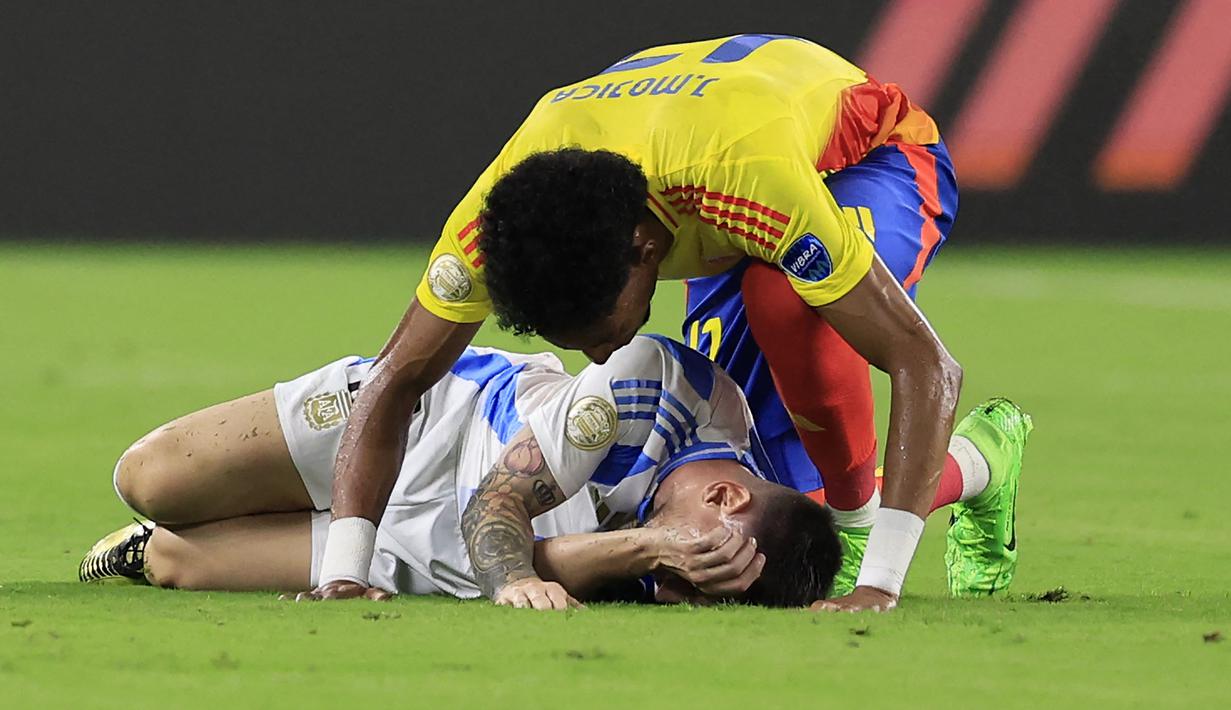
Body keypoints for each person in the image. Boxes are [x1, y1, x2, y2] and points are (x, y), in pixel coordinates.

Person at [309, 34, 1033, 611]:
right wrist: (343, 571)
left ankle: (858, 520)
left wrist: (877, 581)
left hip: (862, 158)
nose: (596, 355)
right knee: (766, 510)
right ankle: (980, 463)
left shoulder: (748, 179)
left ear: (645, 252)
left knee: (787, 305)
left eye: (598, 325)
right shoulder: (503, 214)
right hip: (695, 175)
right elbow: (396, 377)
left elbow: (925, 363)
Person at [80, 336, 843, 608]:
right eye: (693, 567)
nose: (673, 589)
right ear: (724, 494)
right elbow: (497, 507)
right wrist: (517, 582)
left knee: (175, 559)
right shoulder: (653, 388)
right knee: (150, 480)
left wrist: (644, 552)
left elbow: (544, 560)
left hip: (442, 554)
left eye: (690, 591)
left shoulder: (704, 545)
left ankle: (143, 549)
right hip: (431, 425)